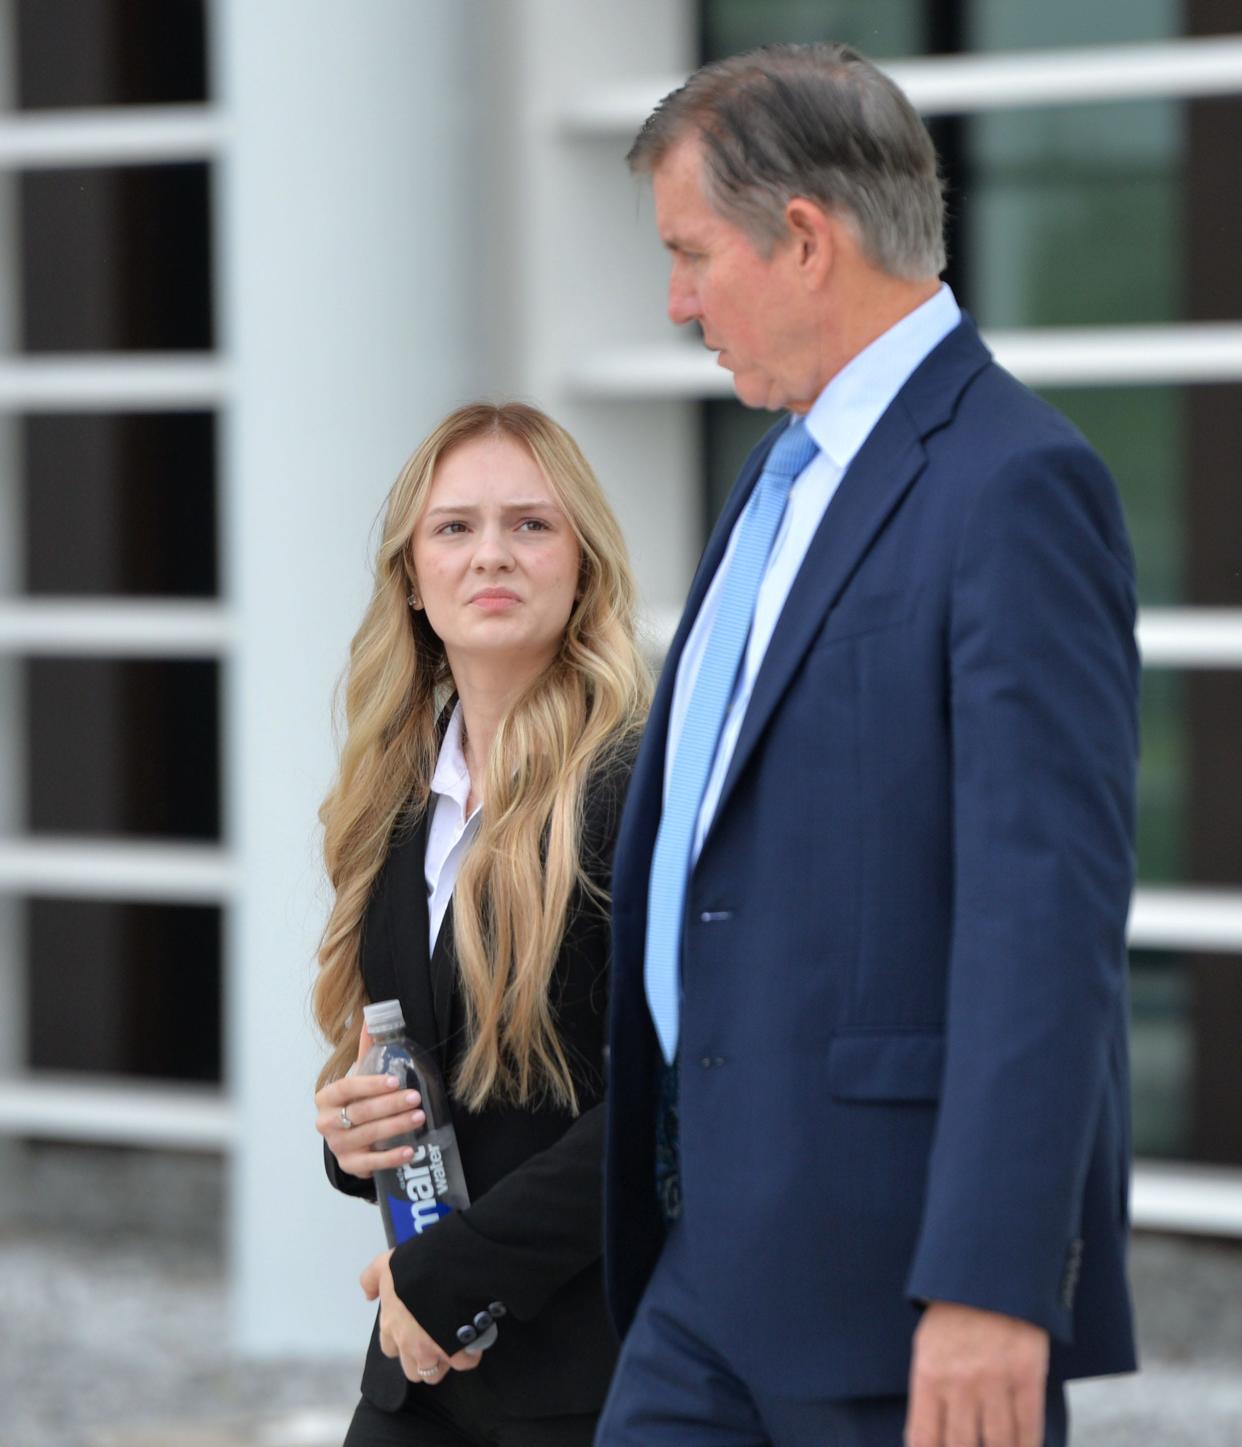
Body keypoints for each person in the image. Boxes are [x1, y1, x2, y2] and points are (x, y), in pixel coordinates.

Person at [597, 43, 1139, 1447]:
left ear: (801, 237)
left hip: (890, 1301)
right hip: (698, 1268)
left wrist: (989, 1283)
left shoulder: (1013, 484)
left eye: (689, 253)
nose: (675, 302)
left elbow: (1044, 917)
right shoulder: (772, 484)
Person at [311, 402, 650, 1447]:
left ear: (583, 565)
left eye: (531, 525)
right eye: (454, 527)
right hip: (421, 1378)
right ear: (412, 577)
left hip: (580, 1384)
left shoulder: (638, 785)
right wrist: (350, 1133)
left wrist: (449, 1279)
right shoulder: (397, 795)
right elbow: (422, 1055)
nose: (491, 554)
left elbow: (664, 1102)